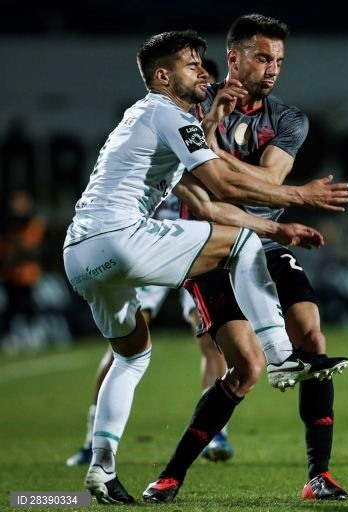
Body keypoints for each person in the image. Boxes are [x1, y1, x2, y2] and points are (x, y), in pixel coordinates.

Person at [62, 30, 348, 504]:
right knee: (241, 243)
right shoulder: (167, 113)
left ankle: (102, 468)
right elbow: (223, 184)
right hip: (122, 238)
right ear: (162, 76)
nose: (203, 70)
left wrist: (279, 228)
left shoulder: (147, 119)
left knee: (131, 356)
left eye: (202, 62)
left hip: (80, 254)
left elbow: (204, 202)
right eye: (191, 64)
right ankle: (281, 356)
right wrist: (301, 195)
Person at [142, 15, 348, 503]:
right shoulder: (192, 103)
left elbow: (268, 184)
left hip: (266, 243)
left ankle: (318, 476)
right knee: (246, 369)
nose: (273, 68)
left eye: (279, 60)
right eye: (262, 57)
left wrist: (213, 147)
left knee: (313, 338)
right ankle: (170, 476)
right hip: (209, 247)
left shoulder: (289, 120)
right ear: (233, 58)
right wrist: (211, 133)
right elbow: (208, 181)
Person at [65, 57, 234, 469]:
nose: (203, 87)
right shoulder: (164, 122)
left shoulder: (199, 130)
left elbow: (210, 184)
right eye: (197, 76)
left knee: (207, 338)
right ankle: (92, 439)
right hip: (144, 239)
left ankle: (215, 431)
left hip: (184, 240)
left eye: (208, 84)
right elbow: (211, 182)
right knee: (127, 345)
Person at [0, 190, 46, 340]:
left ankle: (33, 335)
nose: (19, 207)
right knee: (11, 308)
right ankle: (8, 337)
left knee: (28, 306)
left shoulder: (33, 222)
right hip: (10, 274)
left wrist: (15, 248)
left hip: (27, 275)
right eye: (17, 203)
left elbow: (32, 250)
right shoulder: (6, 223)